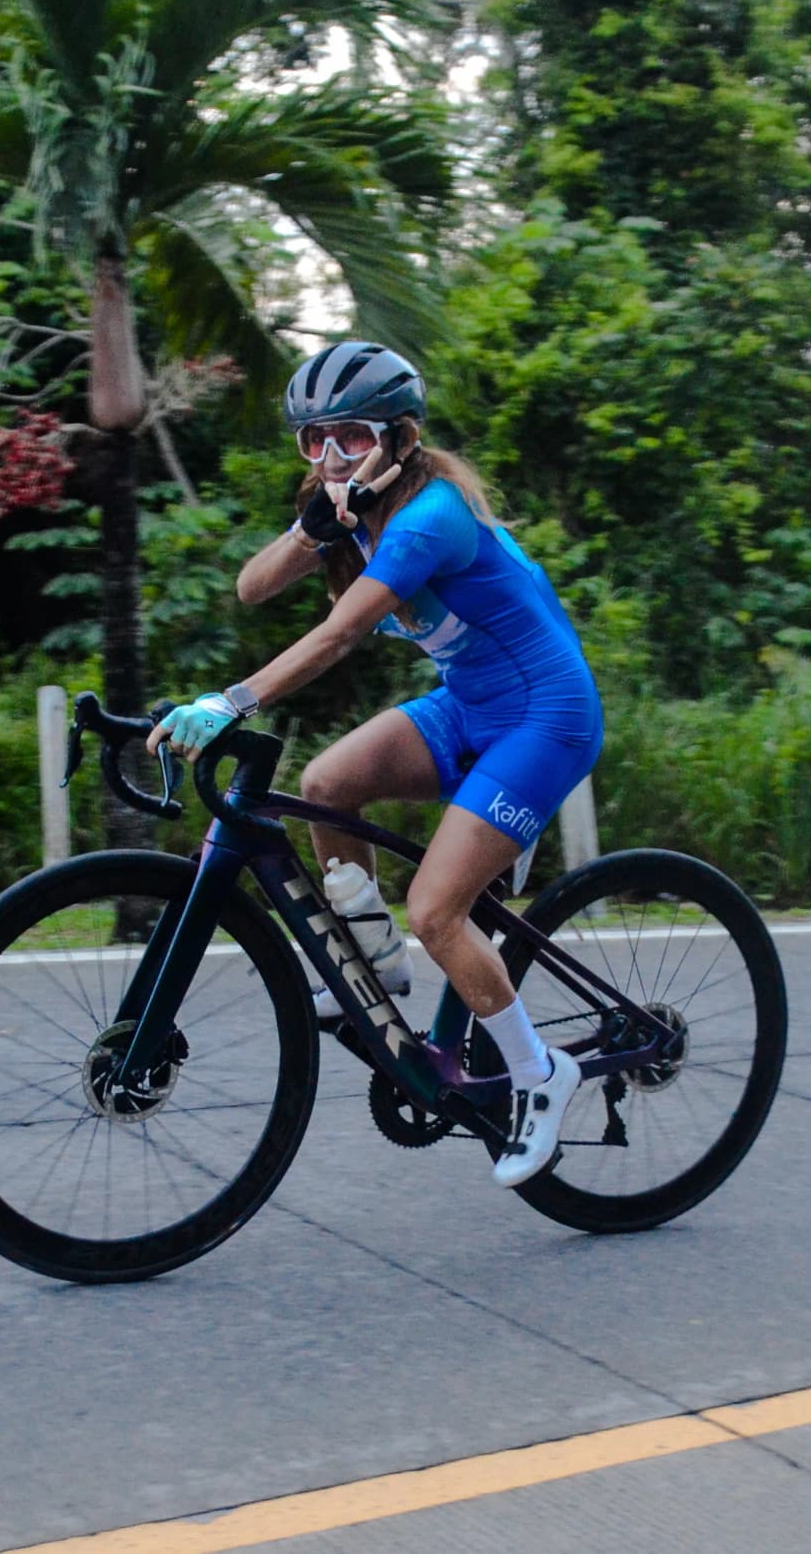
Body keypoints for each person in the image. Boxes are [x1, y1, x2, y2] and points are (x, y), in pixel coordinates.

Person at [145, 341, 605, 1188]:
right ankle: (372, 959)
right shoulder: (348, 506)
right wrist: (312, 527)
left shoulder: (430, 515)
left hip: (546, 716)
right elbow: (252, 589)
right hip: (469, 705)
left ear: (401, 437)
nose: (328, 458)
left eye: (349, 438)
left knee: (437, 909)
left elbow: (339, 634)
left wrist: (229, 701)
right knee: (324, 786)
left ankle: (541, 1076)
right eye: (312, 440)